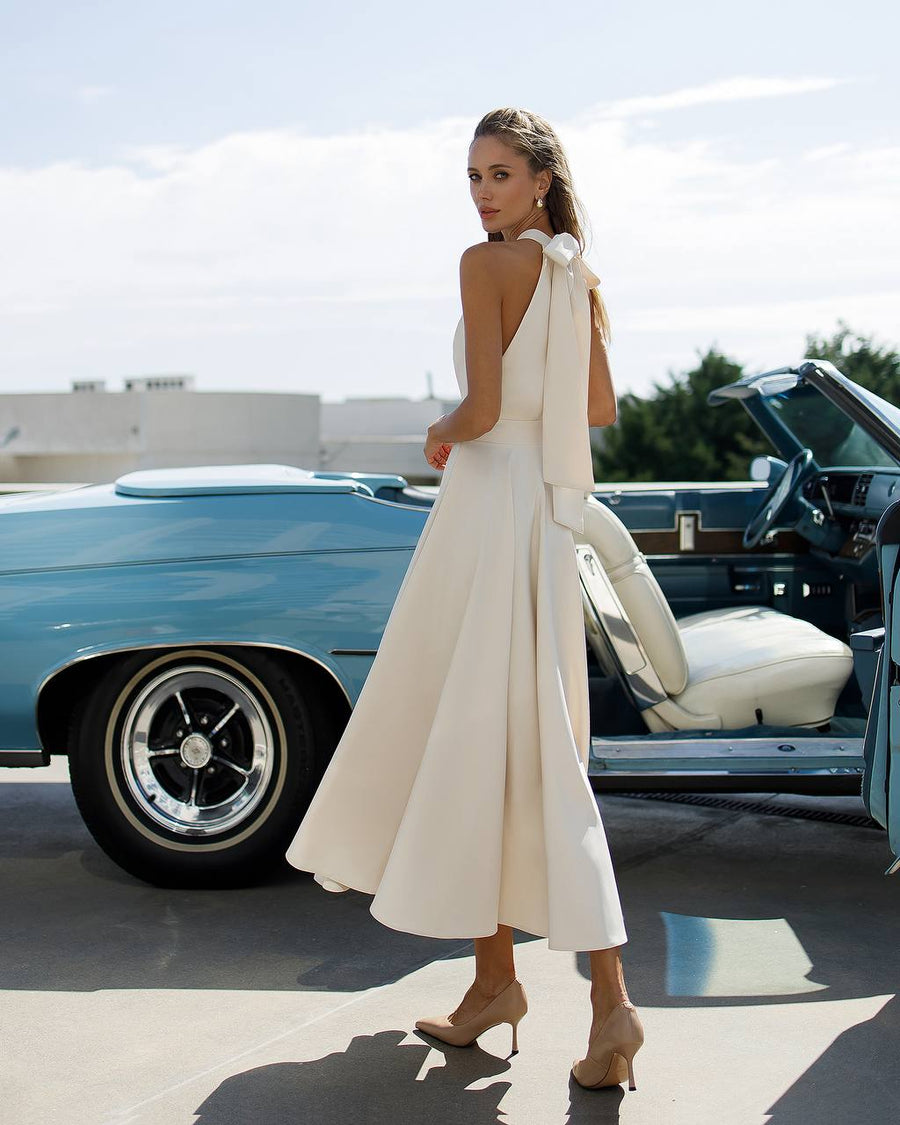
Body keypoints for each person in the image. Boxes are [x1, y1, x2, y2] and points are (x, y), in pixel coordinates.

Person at [285, 106, 644, 1092]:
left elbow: (482, 411)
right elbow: (599, 407)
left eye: (498, 174)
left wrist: (442, 432)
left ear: (539, 180)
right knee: (518, 756)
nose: (483, 192)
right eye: (473, 176)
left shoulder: (484, 267)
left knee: (483, 743)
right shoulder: (575, 275)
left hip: (486, 520)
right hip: (540, 530)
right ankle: (524, 992)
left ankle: (575, 1000)